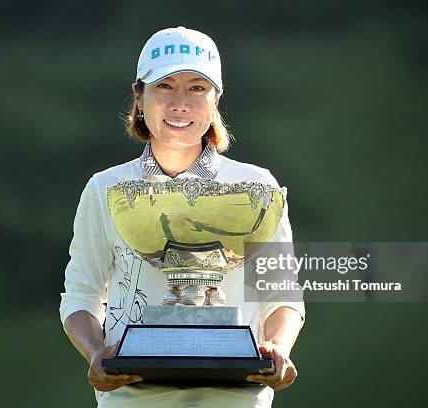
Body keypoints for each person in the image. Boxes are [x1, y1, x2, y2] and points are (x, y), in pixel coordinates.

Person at [60, 26, 305, 408]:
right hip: (134, 397)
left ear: (215, 99)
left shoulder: (258, 186)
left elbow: (282, 294)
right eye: (165, 86)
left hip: (236, 397)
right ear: (139, 96)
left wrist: (276, 347)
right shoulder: (104, 188)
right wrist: (96, 351)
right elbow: (81, 294)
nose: (180, 103)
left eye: (196, 88)